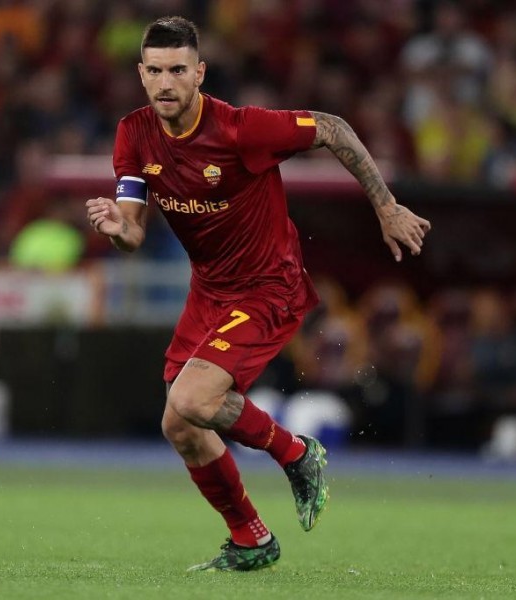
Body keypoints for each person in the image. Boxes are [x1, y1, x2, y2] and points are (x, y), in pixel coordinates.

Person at [86, 16, 431, 572]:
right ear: (141, 74)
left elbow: (333, 127)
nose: (167, 82)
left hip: (269, 285)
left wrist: (386, 207)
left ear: (200, 72)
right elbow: (131, 231)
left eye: (179, 69)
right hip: (210, 291)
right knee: (179, 424)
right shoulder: (134, 133)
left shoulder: (240, 130)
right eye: (155, 71)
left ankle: (296, 453)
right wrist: (113, 227)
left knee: (193, 400)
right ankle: (251, 538)